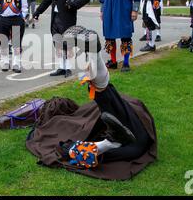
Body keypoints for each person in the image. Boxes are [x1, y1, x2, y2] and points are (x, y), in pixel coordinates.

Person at [26, 26, 157, 180]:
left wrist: (75, 151)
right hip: (128, 129)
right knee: (127, 136)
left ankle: (108, 141)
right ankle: (109, 141)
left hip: (124, 128)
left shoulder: (69, 125)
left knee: (110, 109)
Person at [33, 0, 90, 77]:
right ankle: (61, 67)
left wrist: (73, 4)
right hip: (55, 17)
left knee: (67, 42)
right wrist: (37, 12)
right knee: (57, 42)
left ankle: (68, 67)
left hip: (67, 17)